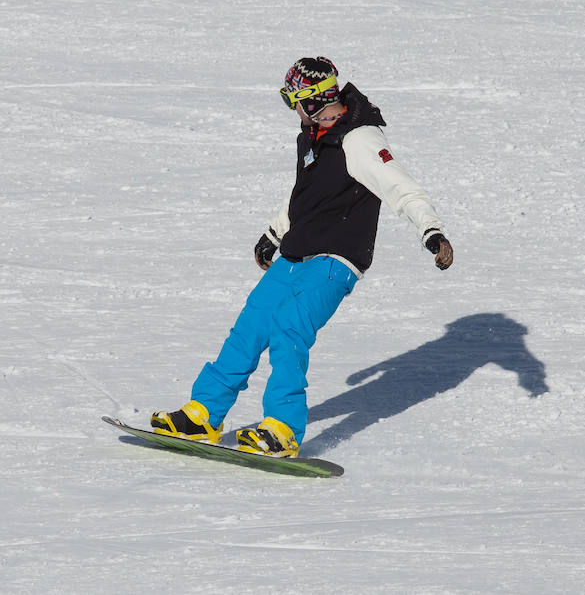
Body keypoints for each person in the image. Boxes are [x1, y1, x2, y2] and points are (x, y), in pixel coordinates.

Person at [151, 56, 453, 457]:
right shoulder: (312, 136)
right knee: (250, 326)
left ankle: (282, 427)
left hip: (335, 260)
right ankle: (203, 413)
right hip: (294, 254)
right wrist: (274, 233)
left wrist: (431, 231)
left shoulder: (360, 139)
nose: (291, 109)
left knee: (290, 329)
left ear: (311, 100)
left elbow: (402, 188)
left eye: (292, 100)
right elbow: (303, 194)